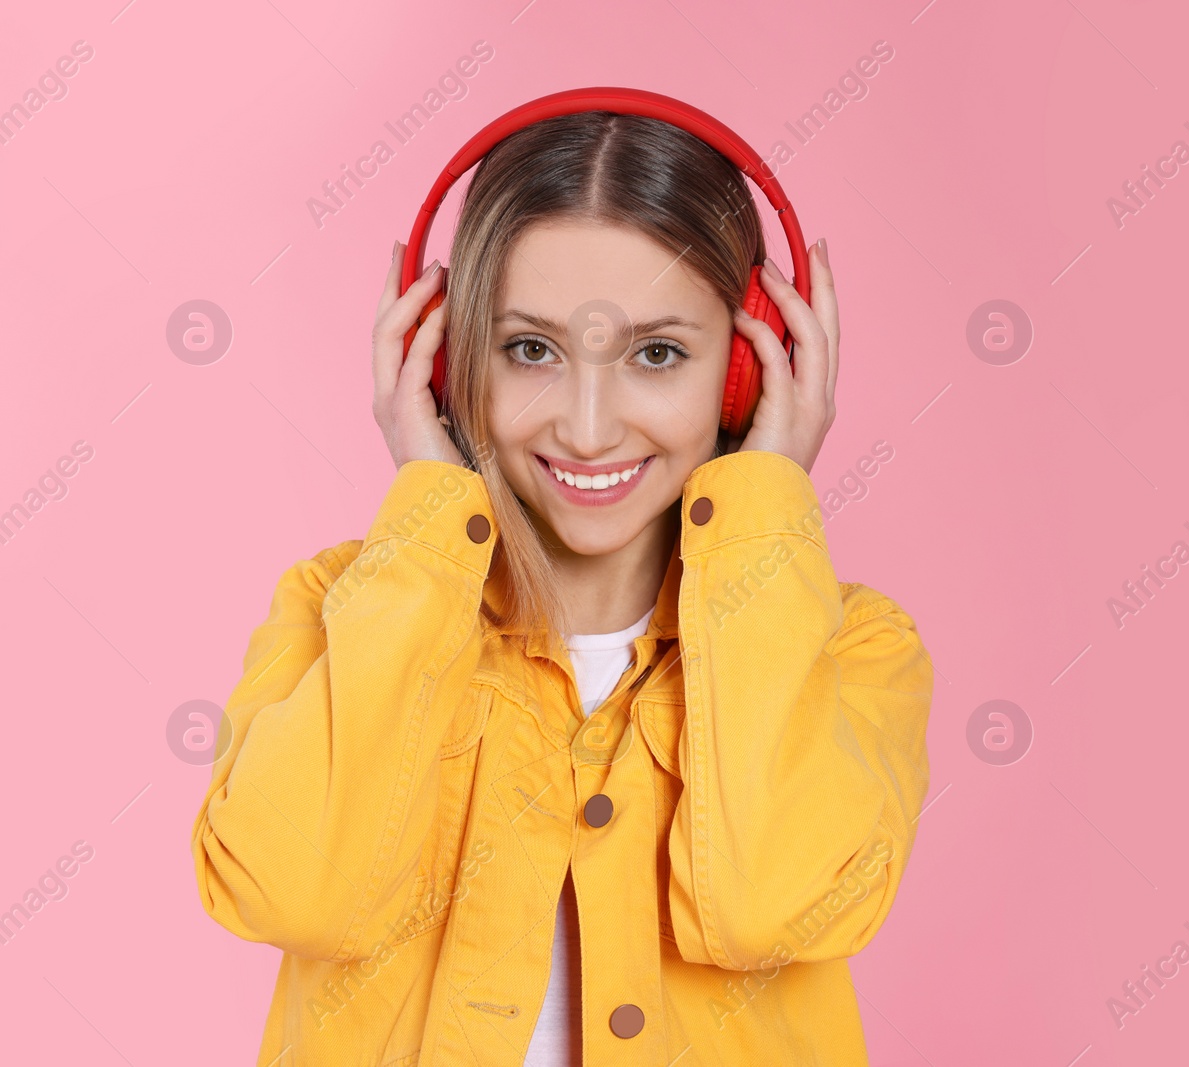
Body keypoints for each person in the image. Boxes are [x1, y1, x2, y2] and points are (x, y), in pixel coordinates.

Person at [191, 108, 933, 1066]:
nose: (586, 428)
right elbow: (293, 891)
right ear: (449, 360)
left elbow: (768, 912)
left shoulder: (853, 648)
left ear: (746, 374)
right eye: (529, 350)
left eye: (657, 353)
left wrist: (764, 504)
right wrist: (428, 514)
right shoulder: (344, 609)